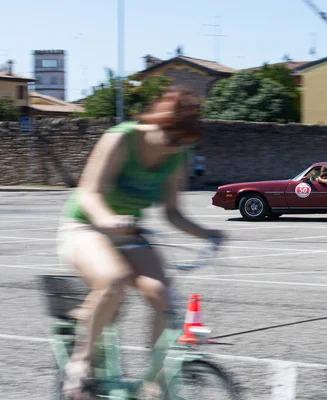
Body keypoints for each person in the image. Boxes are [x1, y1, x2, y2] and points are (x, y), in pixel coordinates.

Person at [56, 87, 224, 399]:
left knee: (163, 295)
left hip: (128, 234)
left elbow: (173, 212)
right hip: (85, 227)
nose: (175, 151)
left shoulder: (176, 156)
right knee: (114, 281)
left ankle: (154, 382)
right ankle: (79, 363)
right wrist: (109, 219)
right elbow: (88, 193)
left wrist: (208, 234)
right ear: (159, 123)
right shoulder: (122, 138)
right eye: (172, 141)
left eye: (183, 146)